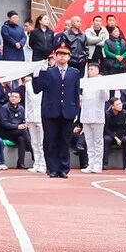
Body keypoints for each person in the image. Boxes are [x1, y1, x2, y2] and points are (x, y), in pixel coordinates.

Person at [33, 43, 80, 177]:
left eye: (65, 54)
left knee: (65, 141)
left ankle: (63, 169)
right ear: (55, 56)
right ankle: (52, 168)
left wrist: (76, 111)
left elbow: (76, 93)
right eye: (59, 54)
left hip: (68, 111)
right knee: (50, 141)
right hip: (50, 111)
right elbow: (37, 89)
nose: (62, 57)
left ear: (69, 57)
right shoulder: (49, 72)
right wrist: (38, 74)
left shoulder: (74, 73)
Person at [78, 62, 108, 174]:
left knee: (98, 142)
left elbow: (106, 97)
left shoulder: (102, 82)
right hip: (86, 116)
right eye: (89, 69)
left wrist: (101, 84)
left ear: (98, 71)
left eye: (92, 69)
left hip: (97, 116)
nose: (90, 71)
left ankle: (98, 165)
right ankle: (90, 164)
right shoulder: (86, 83)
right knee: (89, 142)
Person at [0, 89, 31, 168]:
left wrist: (25, 124)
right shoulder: (4, 108)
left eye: (16, 97)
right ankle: (32, 151)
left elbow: (23, 120)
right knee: (23, 132)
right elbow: (4, 124)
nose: (13, 98)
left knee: (21, 139)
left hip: (17, 133)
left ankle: (20, 163)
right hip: (5, 132)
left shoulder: (21, 108)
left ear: (19, 99)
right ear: (9, 98)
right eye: (12, 96)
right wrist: (17, 126)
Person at [23, 74, 46, 173]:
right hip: (31, 117)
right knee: (34, 142)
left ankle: (43, 164)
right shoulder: (28, 84)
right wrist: (26, 117)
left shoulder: (44, 84)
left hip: (41, 117)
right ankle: (36, 163)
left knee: (41, 142)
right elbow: (27, 102)